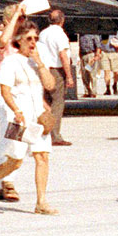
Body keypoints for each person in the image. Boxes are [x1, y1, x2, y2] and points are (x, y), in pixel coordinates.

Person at [0, 20, 56, 214]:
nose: (33, 42)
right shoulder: (10, 62)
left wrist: (40, 64)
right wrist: (16, 111)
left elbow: (50, 85)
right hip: (17, 117)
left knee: (42, 157)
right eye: (28, 38)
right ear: (18, 41)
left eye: (35, 38)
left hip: (38, 118)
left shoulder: (38, 60)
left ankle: (41, 202)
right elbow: (5, 90)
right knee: (14, 160)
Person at [38, 8, 76, 147]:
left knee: (46, 102)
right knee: (57, 103)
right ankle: (54, 135)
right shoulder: (60, 35)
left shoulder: (43, 33)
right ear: (62, 20)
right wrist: (69, 76)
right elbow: (63, 56)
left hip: (45, 70)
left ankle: (44, 132)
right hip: (56, 71)